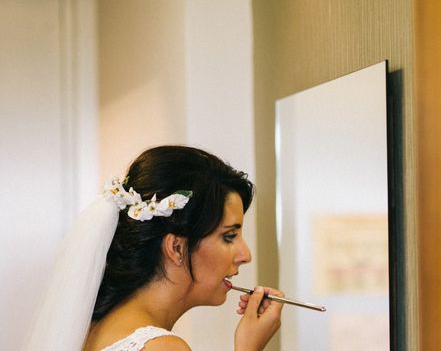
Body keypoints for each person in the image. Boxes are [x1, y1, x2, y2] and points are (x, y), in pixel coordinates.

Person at [23, 145, 283, 351]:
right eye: (229, 236)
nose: (245, 255)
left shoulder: (88, 328)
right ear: (177, 247)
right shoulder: (161, 348)